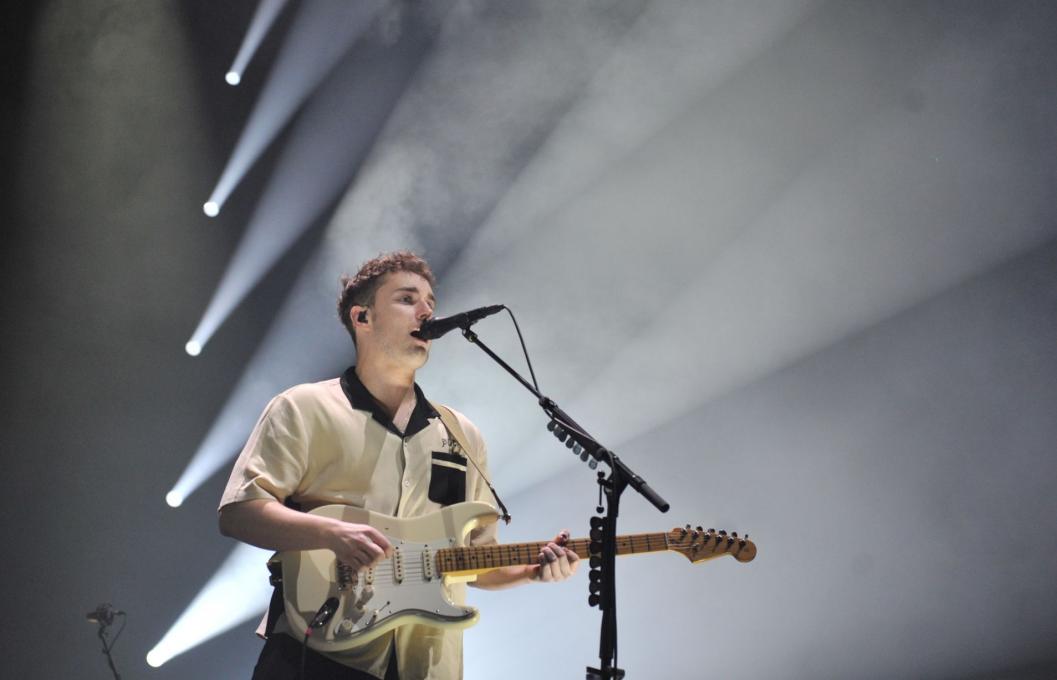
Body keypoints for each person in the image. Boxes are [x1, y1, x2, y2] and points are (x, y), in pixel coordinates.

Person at [218, 251, 579, 680]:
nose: (426, 312)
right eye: (407, 299)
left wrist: (530, 570)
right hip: (315, 654)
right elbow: (239, 512)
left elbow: (473, 561)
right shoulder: (304, 408)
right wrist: (331, 533)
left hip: (426, 665)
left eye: (430, 302)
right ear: (363, 317)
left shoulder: (462, 434)